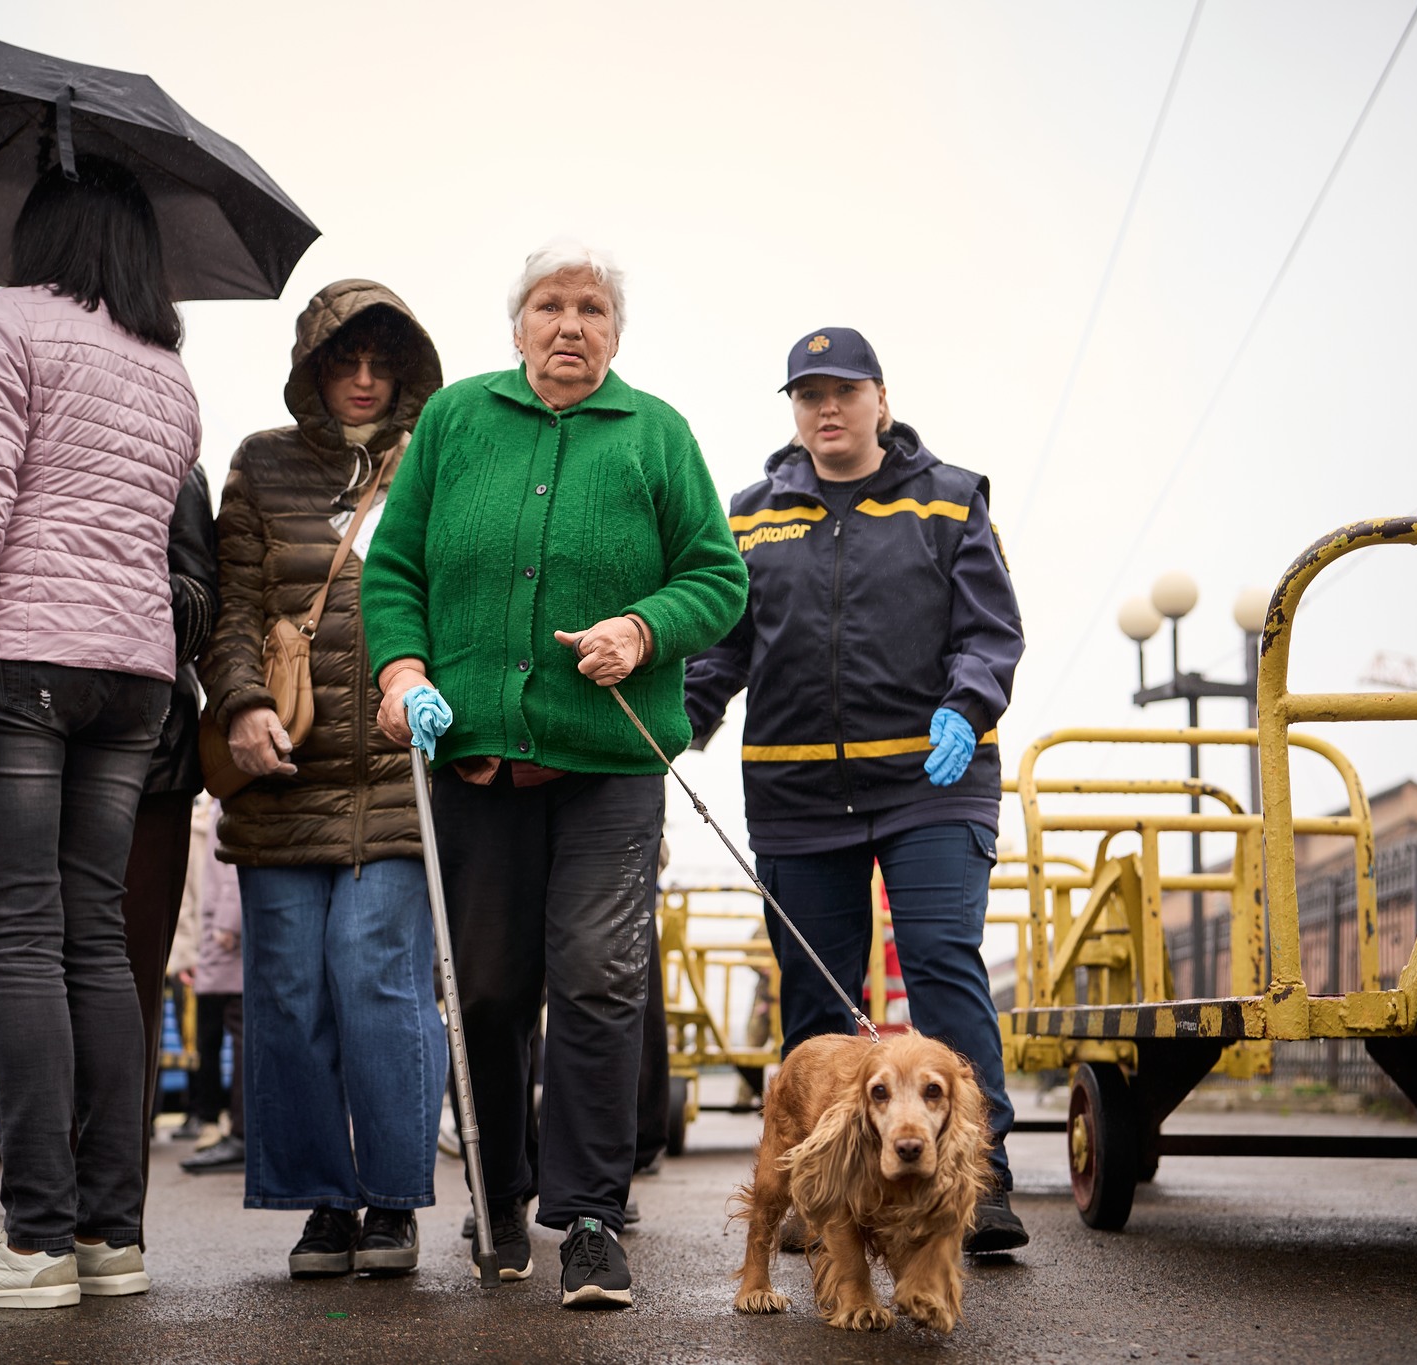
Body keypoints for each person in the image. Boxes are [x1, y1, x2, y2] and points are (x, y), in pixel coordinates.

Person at [361, 242, 747, 1308]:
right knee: (484, 990)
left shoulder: (655, 433)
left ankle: (588, 1218)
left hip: (606, 770)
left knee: (597, 978)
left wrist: (642, 628)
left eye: (591, 309)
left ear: (615, 332)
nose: (569, 324)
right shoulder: (454, 420)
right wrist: (402, 670)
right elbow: (394, 568)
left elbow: (717, 576)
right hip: (476, 763)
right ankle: (496, 1197)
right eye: (548, 305)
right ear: (518, 325)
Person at [0, 153, 202, 1309]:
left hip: (17, 664)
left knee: (16, 941)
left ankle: (33, 1242)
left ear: (41, 235)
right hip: (132, 680)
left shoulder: (1, 324)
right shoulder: (166, 368)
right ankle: (108, 1237)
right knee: (94, 947)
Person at [682, 326, 1028, 1253]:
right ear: (795, 412)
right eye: (808, 395)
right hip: (798, 793)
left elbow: (990, 631)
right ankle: (822, 1187)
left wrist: (967, 704)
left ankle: (978, 1181)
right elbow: (721, 649)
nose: (826, 408)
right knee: (816, 1000)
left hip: (930, 781)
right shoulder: (750, 517)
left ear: (881, 398)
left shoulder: (950, 500)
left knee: (942, 963)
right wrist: (679, 719)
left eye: (843, 390)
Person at [200, 280, 447, 1277]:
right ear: (312, 369)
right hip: (283, 772)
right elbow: (230, 608)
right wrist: (240, 703)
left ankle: (392, 1199)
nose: (364, 379)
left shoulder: (435, 459)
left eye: (382, 363)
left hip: (394, 777)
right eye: (345, 361)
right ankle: (322, 1201)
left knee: (376, 977)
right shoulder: (261, 462)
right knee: (288, 993)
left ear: (406, 370)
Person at [116, 465, 217, 1235]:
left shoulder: (172, 459)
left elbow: (200, 607)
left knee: (130, 982)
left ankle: (112, 1219)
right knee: (31, 970)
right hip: (29, 731)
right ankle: (41, 1215)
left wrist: (101, 581)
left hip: (149, 747)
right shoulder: (14, 434)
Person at [178, 801, 244, 1177]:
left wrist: (226, 923)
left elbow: (229, 870)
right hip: (214, 940)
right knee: (216, 1036)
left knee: (238, 1031)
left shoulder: (223, 804)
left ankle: (241, 1130)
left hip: (224, 939)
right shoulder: (211, 810)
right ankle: (226, 1125)